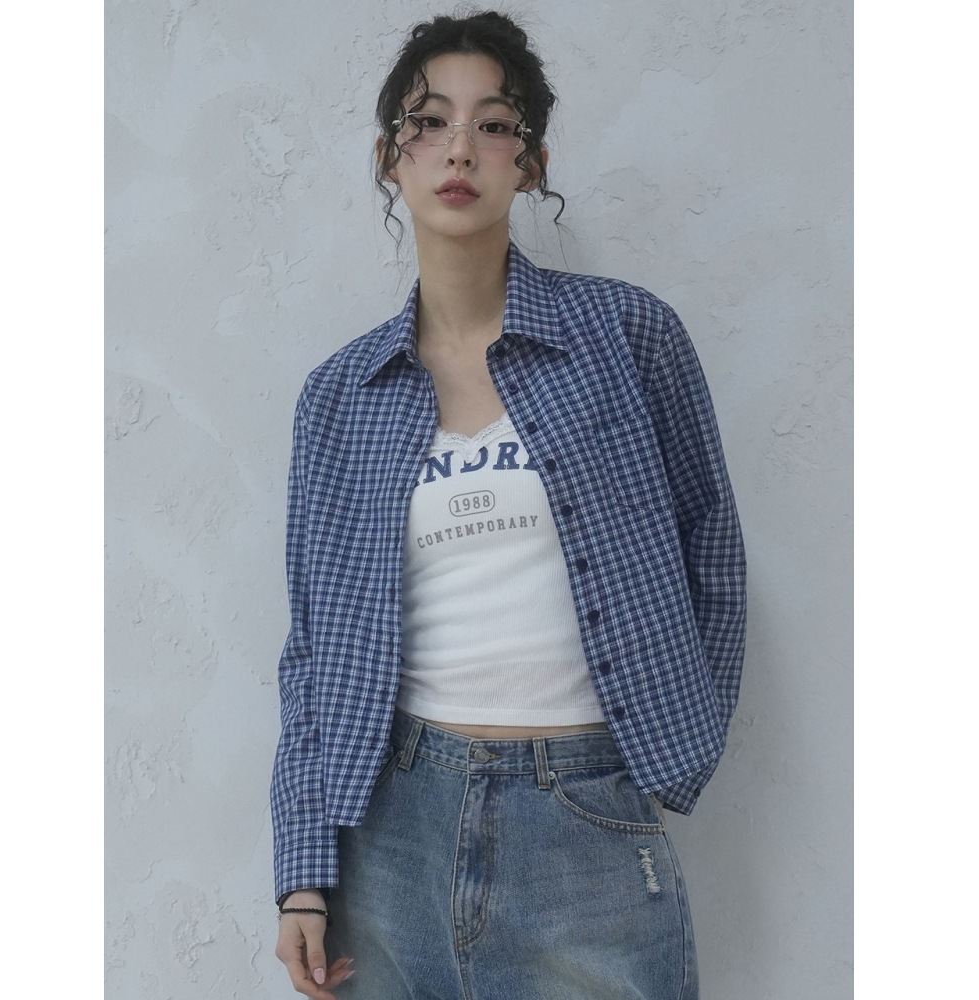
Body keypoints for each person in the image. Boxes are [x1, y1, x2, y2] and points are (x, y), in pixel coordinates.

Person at [271, 11, 746, 1000]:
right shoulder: (340, 395)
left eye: (493, 125)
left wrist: (670, 747)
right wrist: (303, 878)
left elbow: (712, 549)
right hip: (392, 825)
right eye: (428, 122)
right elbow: (314, 648)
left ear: (530, 164)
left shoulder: (625, 336)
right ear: (388, 157)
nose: (459, 148)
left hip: (586, 814)